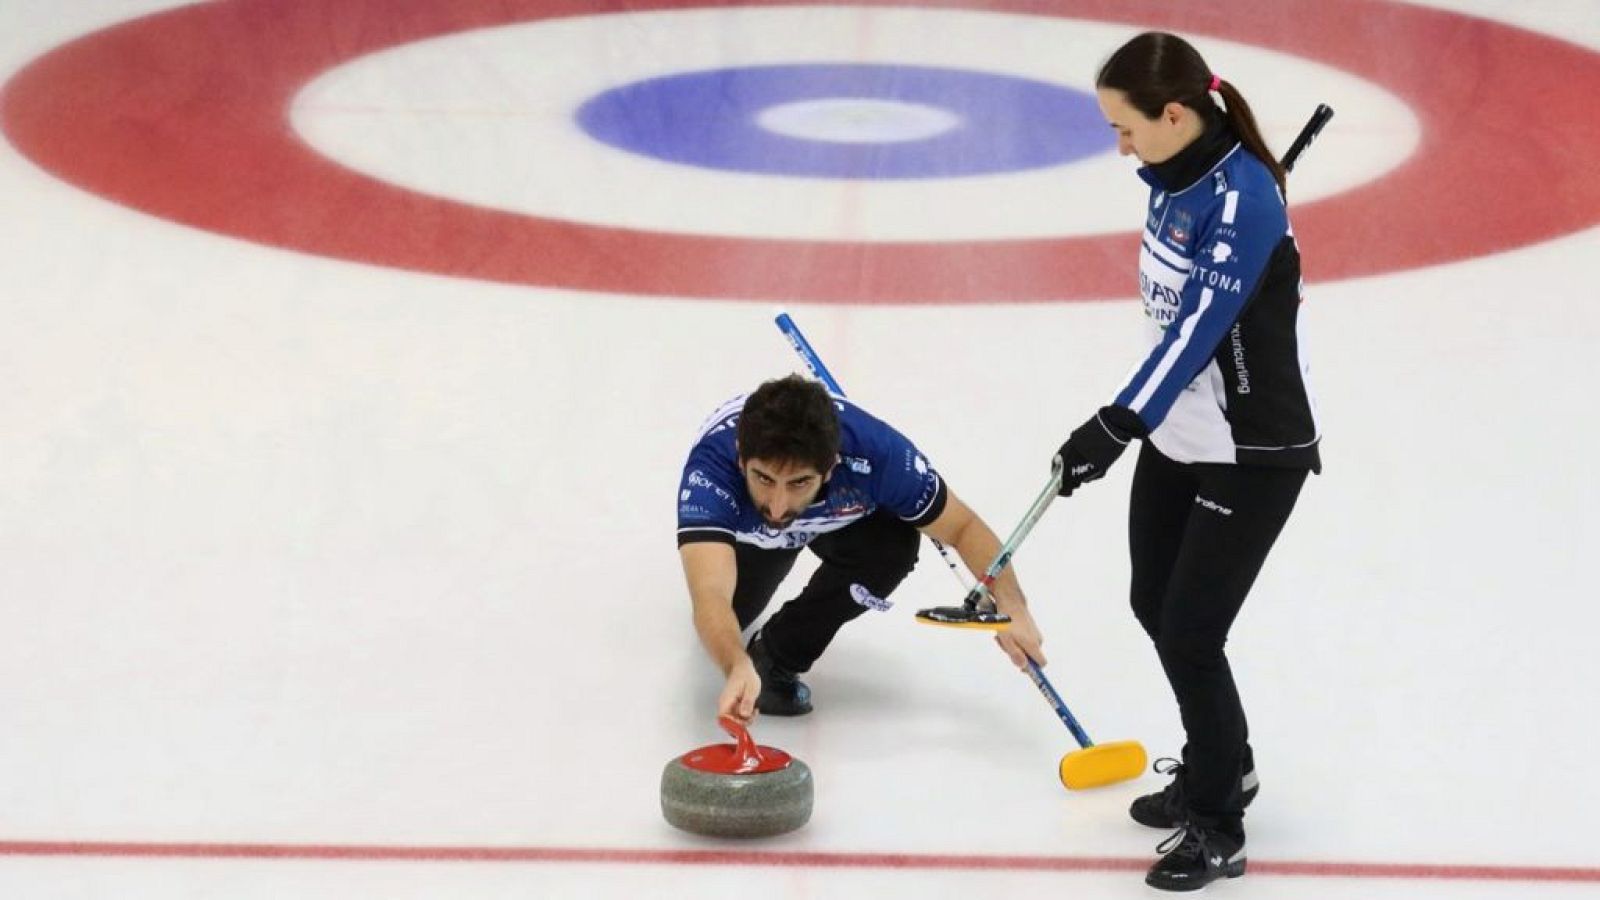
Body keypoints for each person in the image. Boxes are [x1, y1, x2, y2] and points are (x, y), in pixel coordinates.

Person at [1052, 32, 1322, 892]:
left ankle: (1219, 824)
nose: (1120, 147)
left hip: (1252, 450)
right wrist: (1142, 421)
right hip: (1184, 434)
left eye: (1126, 129)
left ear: (1175, 113)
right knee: (1152, 602)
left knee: (1191, 632)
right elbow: (1173, 331)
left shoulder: (1244, 201)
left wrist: (1115, 420)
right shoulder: (1176, 186)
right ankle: (1223, 764)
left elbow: (1202, 326)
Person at [677, 374, 1045, 722]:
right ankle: (771, 578)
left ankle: (776, 656)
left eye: (799, 482)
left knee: (892, 548)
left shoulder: (879, 456)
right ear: (741, 458)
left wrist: (1013, 604)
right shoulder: (712, 469)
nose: (777, 506)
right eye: (764, 478)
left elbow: (963, 527)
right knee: (732, 618)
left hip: (841, 518)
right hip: (752, 535)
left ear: (831, 467)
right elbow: (710, 594)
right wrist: (734, 664)